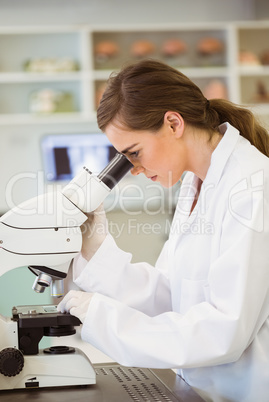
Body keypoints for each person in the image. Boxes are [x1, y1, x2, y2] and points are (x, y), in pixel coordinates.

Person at [58, 59, 269, 402]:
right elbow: (172, 296)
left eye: (134, 153)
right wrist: (94, 249)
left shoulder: (252, 186)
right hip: (202, 391)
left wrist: (103, 318)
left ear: (173, 123)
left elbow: (223, 331)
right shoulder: (195, 183)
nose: (135, 169)